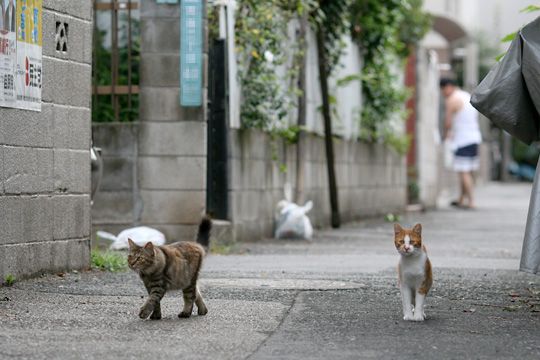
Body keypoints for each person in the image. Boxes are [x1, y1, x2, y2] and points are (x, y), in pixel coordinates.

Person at [440, 78, 482, 209]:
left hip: (463, 139)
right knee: (467, 171)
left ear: (448, 87)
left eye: (442, 90)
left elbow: (447, 122)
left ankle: (471, 201)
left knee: (463, 172)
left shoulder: (451, 99)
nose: (442, 93)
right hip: (474, 137)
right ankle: (461, 199)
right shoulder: (466, 95)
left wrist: (445, 137)